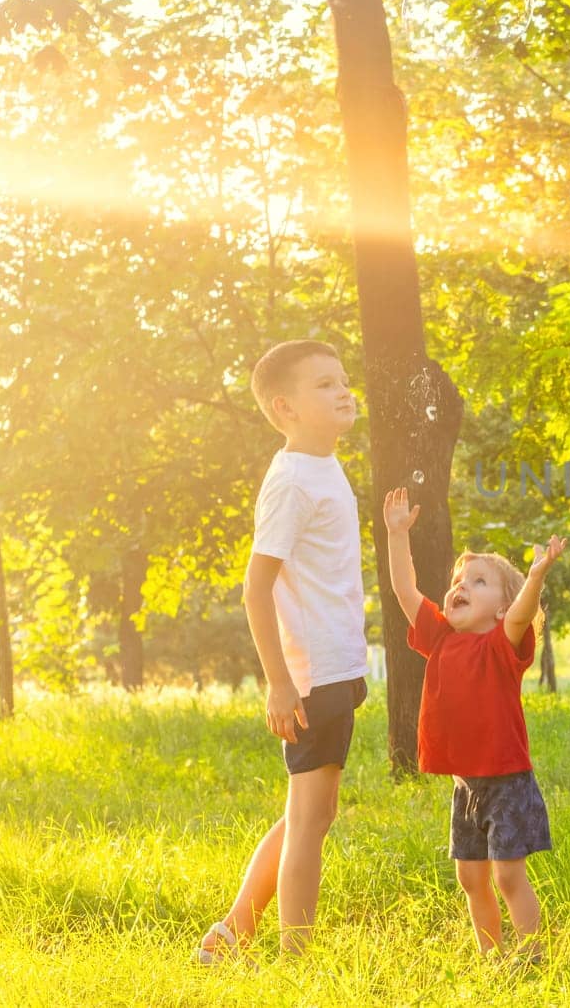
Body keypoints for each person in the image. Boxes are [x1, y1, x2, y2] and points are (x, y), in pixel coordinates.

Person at [197, 340, 368, 962]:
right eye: (324, 384)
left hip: (338, 665)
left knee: (311, 815)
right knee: (308, 823)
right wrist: (279, 682)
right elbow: (255, 588)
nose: (344, 391)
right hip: (311, 674)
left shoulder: (324, 464)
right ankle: (295, 961)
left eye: (343, 380)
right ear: (285, 406)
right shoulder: (293, 480)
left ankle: (233, 931)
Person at [383, 485, 565, 959]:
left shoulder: (503, 646)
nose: (461, 586)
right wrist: (396, 534)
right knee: (470, 877)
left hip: (507, 782)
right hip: (466, 785)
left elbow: (524, 613)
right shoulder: (440, 637)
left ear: (502, 607)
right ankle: (491, 956)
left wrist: (536, 576)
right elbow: (405, 589)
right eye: (459, 580)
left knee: (507, 874)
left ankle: (532, 955)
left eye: (479, 582)